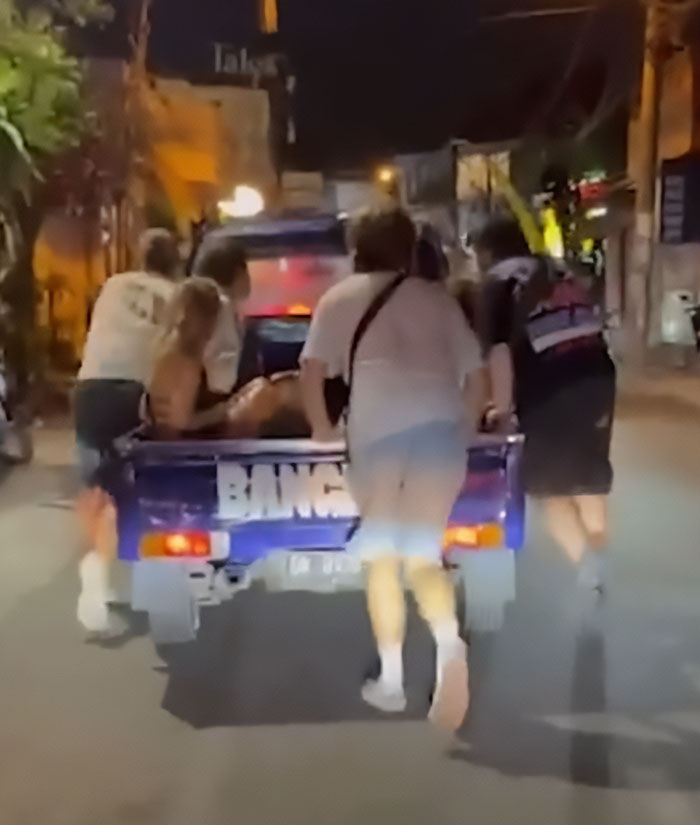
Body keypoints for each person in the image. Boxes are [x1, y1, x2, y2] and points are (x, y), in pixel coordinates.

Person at [300, 211, 484, 731]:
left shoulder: (338, 299)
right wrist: (463, 430)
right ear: (408, 250)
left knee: (381, 556)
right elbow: (477, 378)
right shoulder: (438, 299)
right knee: (424, 554)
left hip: (378, 434)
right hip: (441, 432)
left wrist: (321, 428)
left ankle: (392, 680)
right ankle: (449, 644)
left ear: (357, 248)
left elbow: (310, 375)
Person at [473, 217, 616, 592]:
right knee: (589, 476)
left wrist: (501, 413)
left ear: (487, 253)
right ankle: (600, 558)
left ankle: (589, 574)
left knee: (549, 488)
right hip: (599, 374)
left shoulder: (499, 285)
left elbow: (499, 352)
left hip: (551, 383)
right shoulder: (555, 268)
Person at [75, 228, 181, 632]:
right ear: (176, 261)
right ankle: (145, 576)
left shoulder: (113, 286)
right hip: (136, 390)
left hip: (91, 385)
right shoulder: (178, 296)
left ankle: (94, 576)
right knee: (139, 485)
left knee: (95, 488)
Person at [148, 277, 229, 438]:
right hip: (180, 453)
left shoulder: (166, 349)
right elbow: (180, 423)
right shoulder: (186, 363)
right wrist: (222, 412)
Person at [190, 234, 251, 403]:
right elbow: (223, 381)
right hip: (211, 404)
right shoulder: (221, 307)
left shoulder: (192, 302)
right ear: (240, 273)